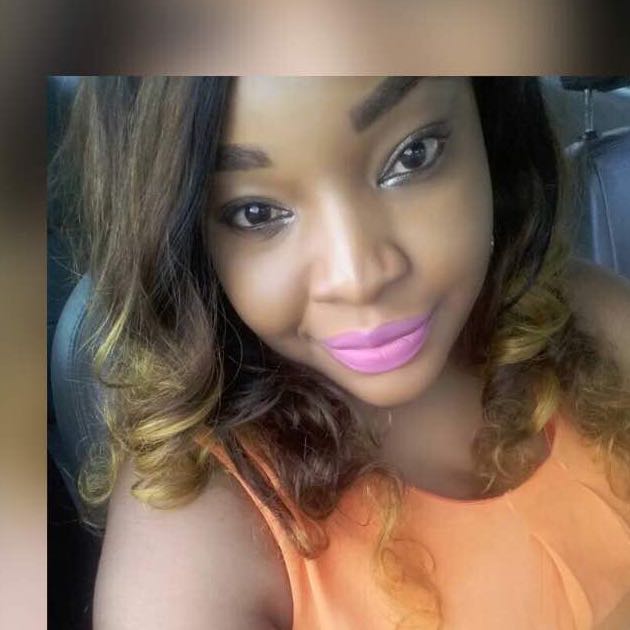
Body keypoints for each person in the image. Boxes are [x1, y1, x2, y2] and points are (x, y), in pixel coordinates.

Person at [52, 77, 630, 629]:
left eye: (412, 156)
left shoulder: (595, 321)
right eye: (256, 213)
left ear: (489, 120)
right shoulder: (196, 532)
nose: (357, 278)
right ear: (189, 239)